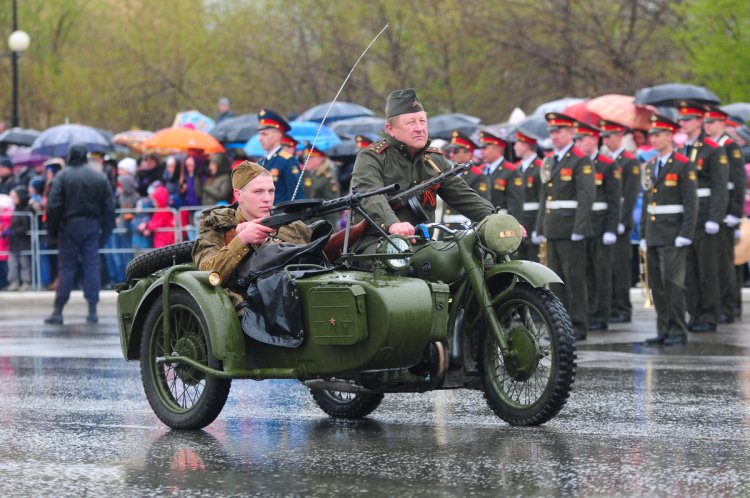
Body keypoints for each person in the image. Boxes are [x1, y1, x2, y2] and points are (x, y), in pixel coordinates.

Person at [350, 88, 494, 254]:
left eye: (422, 121)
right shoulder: (372, 157)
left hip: (422, 244)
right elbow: (371, 194)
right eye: (411, 123)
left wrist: (495, 219)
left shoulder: (435, 159)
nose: (419, 128)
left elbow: (463, 195)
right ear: (390, 129)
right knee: (395, 258)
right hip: (376, 242)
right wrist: (393, 224)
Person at [192, 161, 311, 311]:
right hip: (248, 308)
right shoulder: (217, 226)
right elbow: (208, 274)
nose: (267, 198)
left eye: (271, 191)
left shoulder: (292, 225)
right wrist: (242, 240)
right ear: (238, 195)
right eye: (258, 192)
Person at [535, 112, 595, 340]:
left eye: (559, 131)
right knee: (556, 280)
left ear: (571, 132)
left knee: (574, 279)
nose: (555, 136)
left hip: (571, 229)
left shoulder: (580, 159)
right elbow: (545, 196)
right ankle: (560, 325)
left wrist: (580, 228)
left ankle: (578, 325)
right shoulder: (550, 161)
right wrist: (541, 226)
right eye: (552, 132)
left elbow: (586, 196)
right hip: (553, 227)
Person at [640, 114, 698, 346]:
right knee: (658, 285)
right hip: (654, 233)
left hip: (674, 233)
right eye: (651, 135)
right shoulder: (651, 165)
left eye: (658, 135)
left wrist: (686, 233)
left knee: (673, 284)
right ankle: (663, 328)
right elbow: (647, 202)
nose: (653, 139)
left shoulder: (684, 165)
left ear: (669, 136)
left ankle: (678, 330)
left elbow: (691, 202)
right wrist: (644, 233)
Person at [44, 143, 115, 325]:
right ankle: (92, 310)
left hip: (69, 226)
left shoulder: (63, 176)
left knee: (67, 267)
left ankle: (58, 310)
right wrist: (105, 233)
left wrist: (52, 232)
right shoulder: (99, 177)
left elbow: (53, 206)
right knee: (91, 265)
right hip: (92, 226)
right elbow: (109, 208)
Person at [676, 100, 729, 333]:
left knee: (707, 269)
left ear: (699, 122)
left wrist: (714, 218)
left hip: (706, 213)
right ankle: (694, 312)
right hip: (687, 217)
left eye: (687, 119)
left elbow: (719, 186)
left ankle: (709, 314)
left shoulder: (712, 149)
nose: (683, 123)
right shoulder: (680, 150)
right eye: (681, 120)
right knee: (689, 270)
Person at [702, 104, 747, 323]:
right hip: (713, 209)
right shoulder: (709, 147)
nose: (707, 127)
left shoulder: (730, 147)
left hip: (727, 210)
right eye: (706, 123)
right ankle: (722, 304)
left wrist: (735, 212)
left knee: (727, 262)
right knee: (716, 262)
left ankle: (730, 306)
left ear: (722, 123)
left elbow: (738, 182)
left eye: (711, 122)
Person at [574, 122, 621, 331]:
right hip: (584, 224)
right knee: (585, 273)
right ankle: (590, 312)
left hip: (601, 225)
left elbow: (614, 200)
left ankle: (601, 315)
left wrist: (612, 228)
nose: (580, 143)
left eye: (583, 139)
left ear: (594, 140)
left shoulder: (607, 164)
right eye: (578, 139)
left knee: (601, 272)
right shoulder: (578, 163)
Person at [599, 119, 641, 324]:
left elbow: (631, 195)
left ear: (618, 136)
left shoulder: (629, 161)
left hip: (621, 222)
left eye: (608, 136)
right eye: (603, 137)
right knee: (608, 267)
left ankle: (623, 308)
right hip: (608, 219)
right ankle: (611, 306)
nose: (605, 140)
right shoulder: (606, 160)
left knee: (621, 268)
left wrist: (622, 221)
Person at [256, 108, 304, 203]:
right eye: (259, 134)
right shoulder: (261, 162)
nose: (260, 139)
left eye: (264, 134)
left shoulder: (287, 161)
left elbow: (296, 197)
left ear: (278, 135)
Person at [512, 128, 543, 261]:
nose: (514, 147)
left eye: (516, 143)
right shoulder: (516, 168)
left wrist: (540, 228)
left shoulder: (540, 167)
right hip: (519, 221)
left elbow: (543, 199)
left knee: (534, 261)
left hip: (533, 221)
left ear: (525, 145)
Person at [480, 130, 523, 221]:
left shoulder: (510, 171)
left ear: (497, 149)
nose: (481, 152)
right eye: (481, 148)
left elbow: (515, 203)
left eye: (485, 148)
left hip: (501, 222)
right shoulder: (481, 170)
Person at [301, 144, 341, 227]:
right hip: (311, 223)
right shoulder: (311, 174)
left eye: (310, 158)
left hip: (321, 224)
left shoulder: (328, 178)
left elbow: (333, 207)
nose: (306, 161)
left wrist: (331, 231)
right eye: (305, 158)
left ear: (320, 158)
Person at [447, 130, 490, 199]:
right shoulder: (450, 171)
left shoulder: (478, 176)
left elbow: (481, 204)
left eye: (455, 151)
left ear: (468, 153)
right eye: (450, 151)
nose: (451, 155)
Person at [5, 185, 32, 291]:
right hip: (14, 242)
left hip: (23, 242)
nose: (13, 200)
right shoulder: (15, 209)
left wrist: (12, 231)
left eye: (14, 197)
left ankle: (26, 282)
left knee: (24, 263)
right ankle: (14, 282)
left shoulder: (26, 209)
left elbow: (25, 227)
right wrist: (7, 230)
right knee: (12, 263)